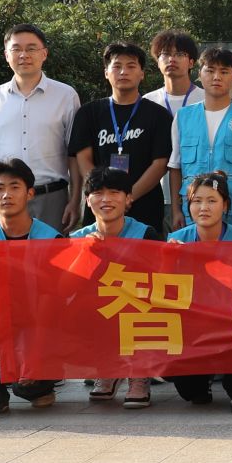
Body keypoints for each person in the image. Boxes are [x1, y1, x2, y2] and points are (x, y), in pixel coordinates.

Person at [0, 160, 61, 419]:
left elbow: (59, 299)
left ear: (30, 193)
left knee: (31, 390)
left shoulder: (52, 239)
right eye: (0, 188)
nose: (7, 194)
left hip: (38, 320)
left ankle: (39, 384)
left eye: (15, 187)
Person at [69, 167, 162, 409]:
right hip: (98, 308)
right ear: (87, 200)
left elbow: (159, 282)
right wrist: (85, 256)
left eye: (114, 192)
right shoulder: (76, 239)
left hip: (137, 304)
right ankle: (107, 368)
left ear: (128, 198)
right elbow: (64, 288)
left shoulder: (146, 234)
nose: (106, 199)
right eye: (98, 193)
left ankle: (139, 373)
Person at [165, 171, 232, 412]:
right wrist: (170, 260)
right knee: (190, 392)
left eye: (212, 201)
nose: (203, 207)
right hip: (192, 320)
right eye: (197, 201)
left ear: (225, 205)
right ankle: (200, 383)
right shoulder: (175, 240)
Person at [0, 24, 81, 227]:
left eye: (31, 48)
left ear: (44, 54)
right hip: (5, 198)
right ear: (6, 55)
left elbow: (74, 154)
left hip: (52, 198)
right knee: (6, 249)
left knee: (52, 248)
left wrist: (75, 201)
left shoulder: (66, 95)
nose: (24, 55)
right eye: (16, 49)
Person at [66, 41, 172, 233]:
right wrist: (103, 194)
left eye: (131, 66)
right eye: (116, 66)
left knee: (144, 251)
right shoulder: (88, 113)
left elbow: (160, 164)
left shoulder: (159, 115)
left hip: (145, 203)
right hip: (101, 205)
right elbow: (83, 158)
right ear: (106, 72)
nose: (123, 72)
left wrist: (127, 197)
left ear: (142, 73)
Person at [168, 46, 232, 234]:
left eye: (224, 71)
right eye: (210, 71)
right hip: (193, 212)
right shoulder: (183, 117)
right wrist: (175, 210)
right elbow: (175, 167)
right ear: (199, 74)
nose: (216, 77)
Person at [144, 30, 204, 118]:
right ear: (158, 63)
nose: (171, 59)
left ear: (191, 63)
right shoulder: (147, 102)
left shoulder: (207, 100)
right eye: (165, 54)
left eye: (179, 54)